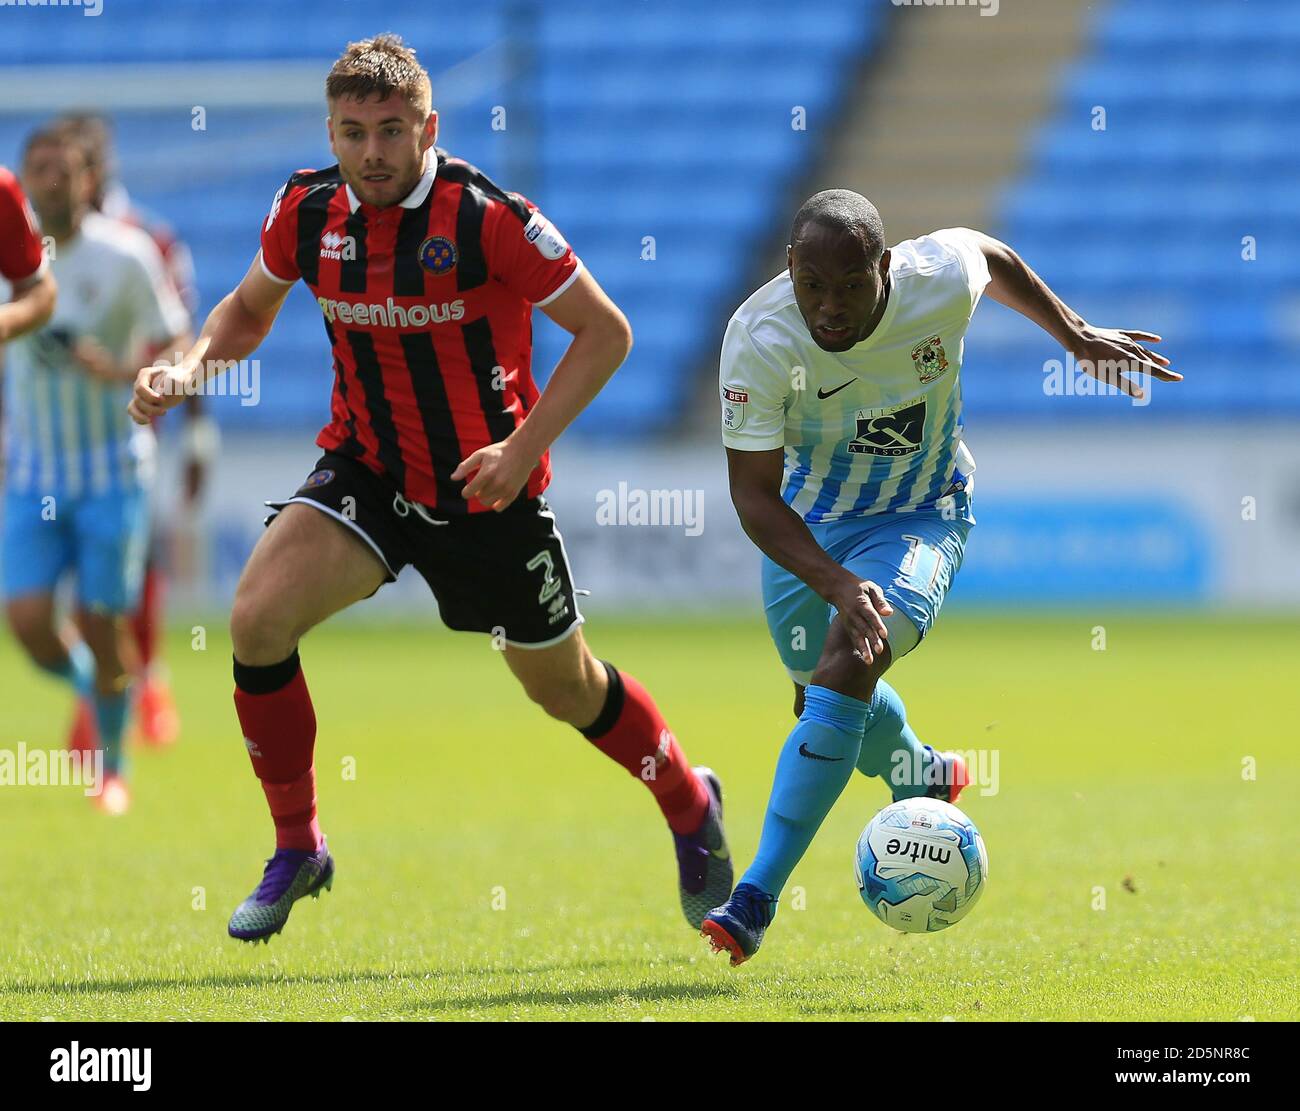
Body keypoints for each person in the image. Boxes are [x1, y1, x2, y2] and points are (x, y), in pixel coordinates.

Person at [128, 33, 732, 942]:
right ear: (331, 132)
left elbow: (606, 333)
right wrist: (189, 366)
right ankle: (299, 844)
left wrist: (523, 449)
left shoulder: (488, 218)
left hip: (487, 490)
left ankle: (689, 802)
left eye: (391, 130)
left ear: (428, 127)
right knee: (255, 619)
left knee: (565, 690)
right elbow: (248, 308)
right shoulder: (306, 210)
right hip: (367, 470)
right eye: (353, 131)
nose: (372, 151)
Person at [702, 189, 1179, 965]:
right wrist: (830, 579)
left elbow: (988, 254)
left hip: (923, 513)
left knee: (848, 665)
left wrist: (1075, 333)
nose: (829, 306)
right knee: (819, 694)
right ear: (789, 267)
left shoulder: (936, 279)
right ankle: (921, 771)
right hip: (810, 526)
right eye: (811, 284)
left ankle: (754, 896)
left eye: (850, 284)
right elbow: (751, 494)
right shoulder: (757, 338)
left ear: (884, 268)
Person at [2, 126, 188, 814]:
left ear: (87, 181)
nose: (50, 181)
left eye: (64, 170)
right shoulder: (10, 253)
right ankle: (92, 682)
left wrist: (132, 372)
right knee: (26, 621)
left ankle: (112, 767)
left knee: (104, 619)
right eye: (37, 169)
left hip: (112, 467)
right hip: (32, 473)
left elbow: (177, 337)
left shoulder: (127, 254)